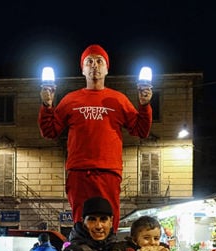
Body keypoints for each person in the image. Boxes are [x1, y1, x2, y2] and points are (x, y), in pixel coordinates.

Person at [38, 44, 153, 232]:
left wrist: (144, 105)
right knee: (81, 219)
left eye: (99, 61)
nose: (94, 66)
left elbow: (141, 130)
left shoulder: (118, 99)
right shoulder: (70, 100)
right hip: (79, 172)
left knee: (109, 219)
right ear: (82, 69)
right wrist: (47, 105)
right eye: (89, 61)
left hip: (109, 171)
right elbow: (49, 131)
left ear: (107, 68)